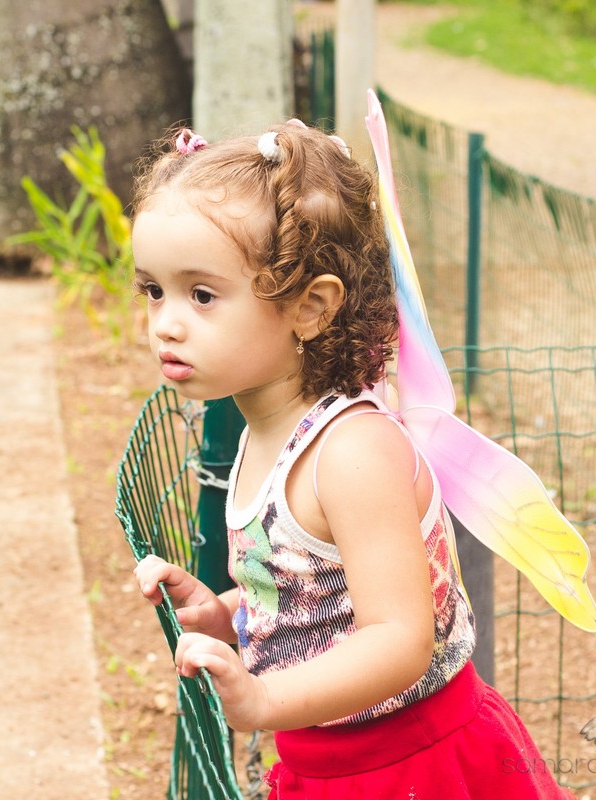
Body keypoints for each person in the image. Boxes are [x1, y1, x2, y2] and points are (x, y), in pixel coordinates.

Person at [130, 121, 571, 798]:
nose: (166, 322)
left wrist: (265, 700)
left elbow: (399, 638)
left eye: (202, 295)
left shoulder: (351, 453)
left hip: (413, 766)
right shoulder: (267, 431)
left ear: (310, 308)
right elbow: (316, 596)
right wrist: (229, 612)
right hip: (328, 766)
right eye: (153, 290)